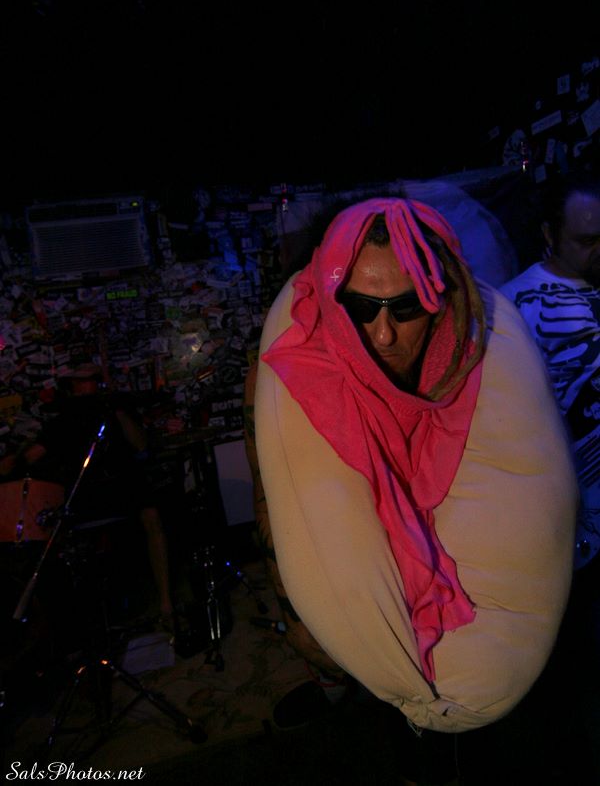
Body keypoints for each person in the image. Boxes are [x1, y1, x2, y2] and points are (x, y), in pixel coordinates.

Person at [250, 197, 578, 785]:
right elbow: (283, 490)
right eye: (361, 307)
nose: (382, 333)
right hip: (378, 619)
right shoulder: (297, 367)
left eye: (407, 307)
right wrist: (290, 594)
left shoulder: (467, 368)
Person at [500, 167, 600, 780]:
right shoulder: (511, 309)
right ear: (548, 234)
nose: (599, 251)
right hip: (568, 538)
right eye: (586, 239)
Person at [0, 364, 175, 645]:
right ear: (72, 386)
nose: (90, 384)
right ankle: (79, 622)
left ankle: (166, 604)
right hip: (88, 494)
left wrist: (118, 411)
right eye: (83, 380)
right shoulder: (64, 420)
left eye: (93, 379)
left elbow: (141, 446)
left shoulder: (113, 412)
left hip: (123, 485)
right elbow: (32, 456)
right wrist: (15, 458)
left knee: (151, 515)